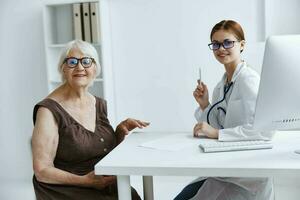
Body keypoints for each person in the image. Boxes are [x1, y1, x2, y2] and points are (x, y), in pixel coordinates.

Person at [31, 40, 149, 200]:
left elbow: (99, 150)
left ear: (95, 68)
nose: (80, 67)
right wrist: (87, 181)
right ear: (63, 68)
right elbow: (42, 171)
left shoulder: (98, 103)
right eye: (72, 62)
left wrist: (119, 132)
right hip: (68, 189)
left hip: (102, 184)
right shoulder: (48, 110)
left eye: (86, 61)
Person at [174, 20, 274, 200]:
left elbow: (264, 130)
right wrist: (205, 104)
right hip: (224, 170)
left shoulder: (248, 80)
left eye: (228, 42)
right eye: (216, 44)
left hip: (246, 179)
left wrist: (217, 133)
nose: (221, 48)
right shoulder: (222, 84)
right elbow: (219, 125)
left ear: (242, 45)